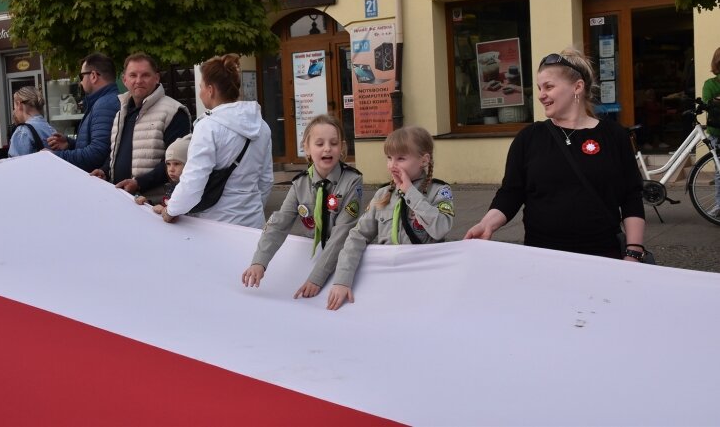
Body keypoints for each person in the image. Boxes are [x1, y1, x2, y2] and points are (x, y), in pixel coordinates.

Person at [464, 48, 646, 261]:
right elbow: (511, 193)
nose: (541, 95)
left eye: (549, 87)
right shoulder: (529, 137)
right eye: (540, 87)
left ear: (577, 87)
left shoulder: (614, 135)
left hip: (602, 257)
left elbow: (631, 196)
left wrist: (634, 251)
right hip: (542, 257)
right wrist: (486, 224)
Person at [327, 126, 455, 310]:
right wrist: (342, 280)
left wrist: (410, 192)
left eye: (401, 158)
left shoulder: (439, 192)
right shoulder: (382, 194)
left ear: (424, 160)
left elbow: (441, 228)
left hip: (424, 282)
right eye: (389, 158)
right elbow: (357, 236)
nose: (392, 165)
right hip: (388, 281)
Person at [242, 114, 363, 298]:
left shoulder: (352, 181)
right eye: (319, 143)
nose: (327, 149)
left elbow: (342, 235)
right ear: (306, 148)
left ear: (342, 148)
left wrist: (316, 278)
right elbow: (279, 224)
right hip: (312, 258)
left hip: (340, 263)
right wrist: (259, 262)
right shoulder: (300, 184)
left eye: (334, 143)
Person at [160, 54, 273, 228]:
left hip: (217, 224)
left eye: (201, 87)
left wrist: (171, 209)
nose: (200, 93)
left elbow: (194, 180)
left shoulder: (208, 127)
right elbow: (265, 179)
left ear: (210, 90)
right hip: (253, 221)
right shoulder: (261, 126)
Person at [90, 52, 191, 195]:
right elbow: (116, 153)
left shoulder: (174, 112)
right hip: (122, 198)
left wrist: (139, 183)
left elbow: (178, 162)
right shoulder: (121, 113)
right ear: (124, 80)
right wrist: (104, 170)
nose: (138, 80)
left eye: (145, 75)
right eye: (133, 75)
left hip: (156, 203)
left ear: (156, 78)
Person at [48, 53, 120, 172]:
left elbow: (97, 154)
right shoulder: (104, 101)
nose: (80, 82)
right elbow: (101, 145)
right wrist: (69, 144)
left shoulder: (104, 105)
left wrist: (54, 157)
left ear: (93, 76)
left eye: (81, 77)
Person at [134, 134, 190, 213]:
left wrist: (168, 212)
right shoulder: (172, 188)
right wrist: (147, 205)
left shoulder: (195, 191)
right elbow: (164, 207)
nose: (171, 169)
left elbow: (188, 217)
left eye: (177, 164)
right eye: (168, 164)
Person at [8, 86, 56, 157]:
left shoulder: (22, 132)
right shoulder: (50, 129)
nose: (14, 111)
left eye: (14, 108)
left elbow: (16, 165)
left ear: (19, 105)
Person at [701, 46, 720, 217]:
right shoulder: (711, 84)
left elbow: (706, 103)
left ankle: (719, 205)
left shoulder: (710, 84)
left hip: (716, 132)